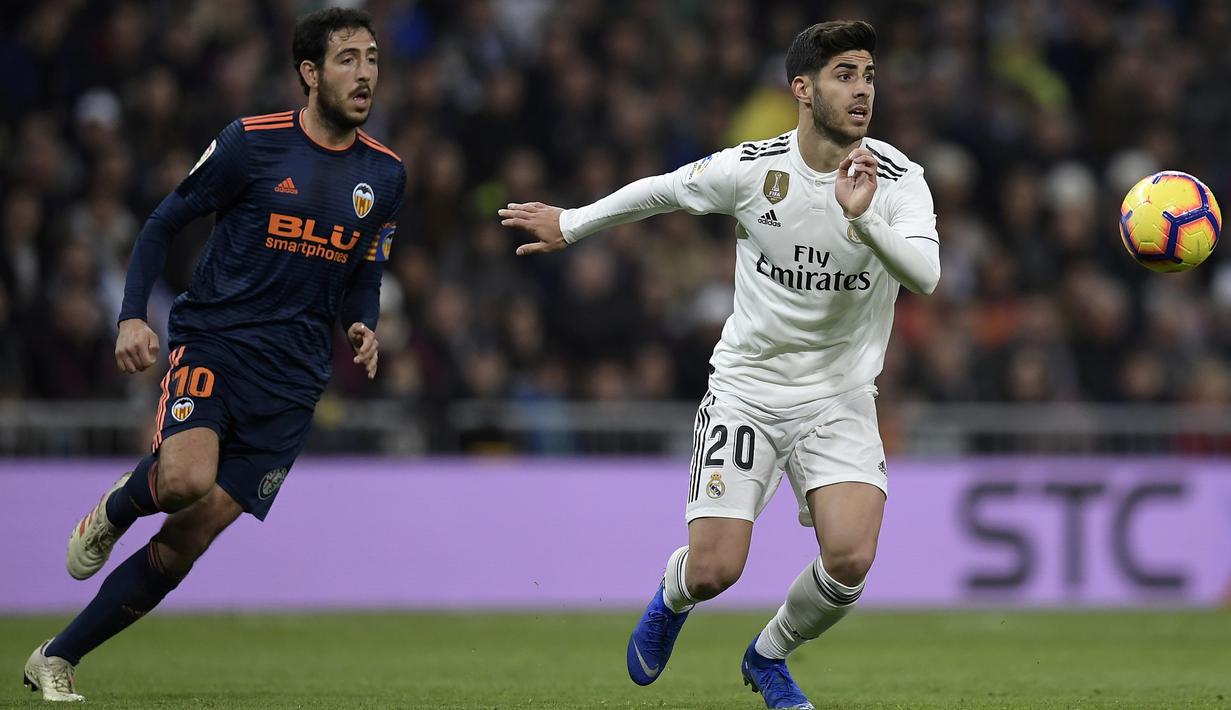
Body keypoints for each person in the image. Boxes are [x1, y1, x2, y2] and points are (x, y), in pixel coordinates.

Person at [500, 20, 939, 710]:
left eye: (868, 77)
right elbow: (662, 190)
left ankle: (768, 656)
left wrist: (864, 220)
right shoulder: (752, 169)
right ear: (802, 89)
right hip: (747, 392)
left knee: (850, 560)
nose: (861, 92)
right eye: (844, 76)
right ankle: (673, 596)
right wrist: (572, 224)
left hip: (839, 397)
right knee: (714, 571)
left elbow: (926, 277)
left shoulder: (896, 179)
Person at [23, 7, 404, 701]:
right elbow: (164, 221)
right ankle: (116, 508)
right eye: (348, 59)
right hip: (218, 343)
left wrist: (364, 323)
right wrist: (131, 317)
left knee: (188, 540)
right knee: (182, 482)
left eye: (373, 57)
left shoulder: (385, 175)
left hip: (293, 384)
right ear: (309, 73)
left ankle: (56, 656)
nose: (366, 73)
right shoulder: (249, 144)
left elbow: (367, 269)